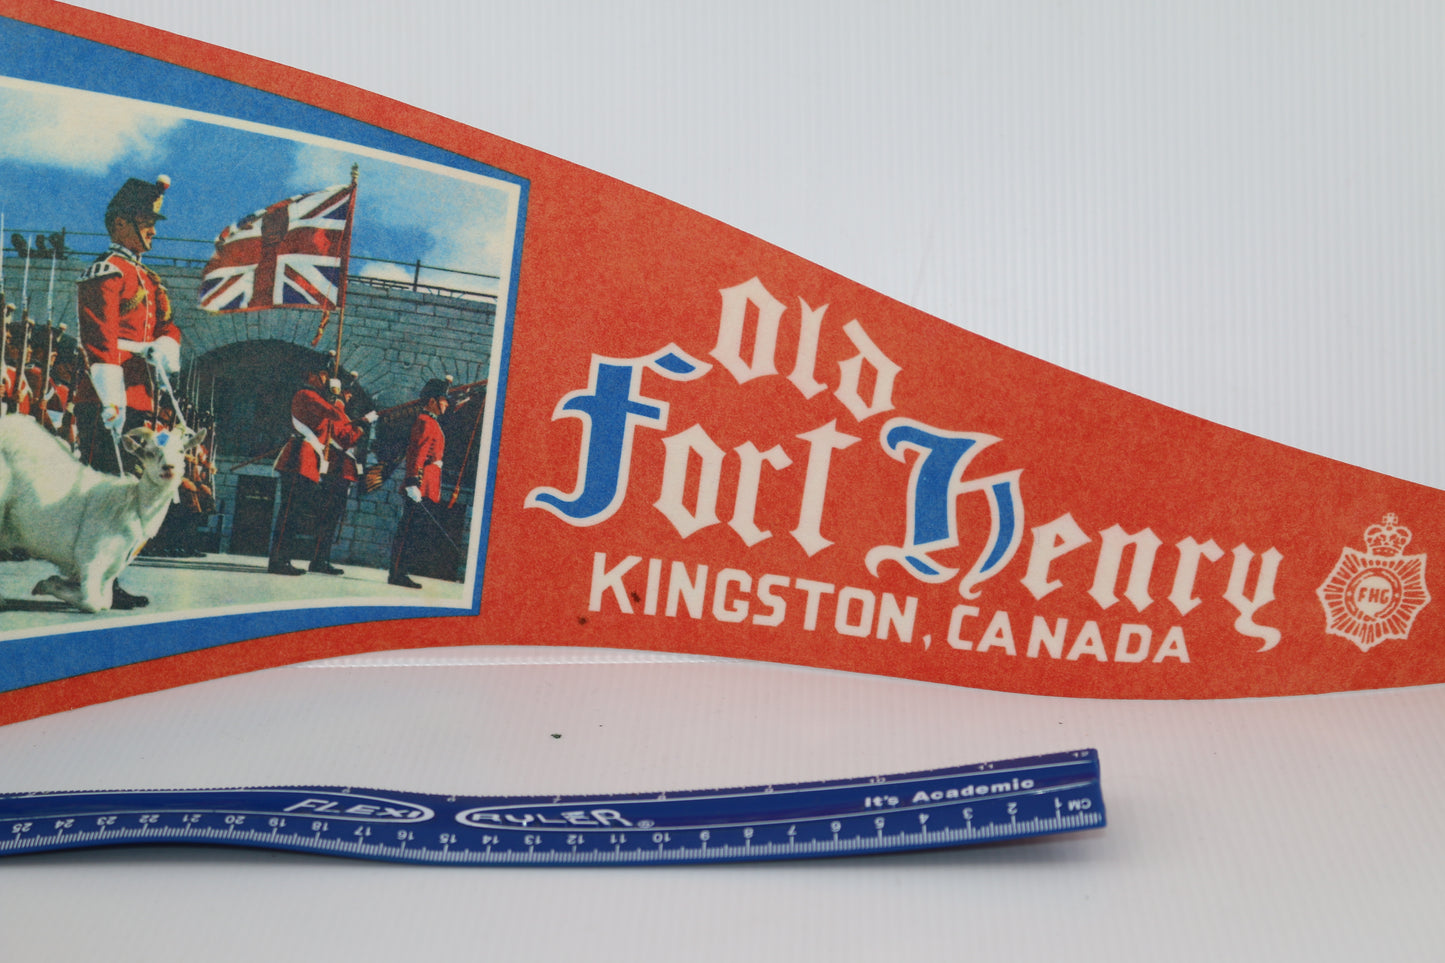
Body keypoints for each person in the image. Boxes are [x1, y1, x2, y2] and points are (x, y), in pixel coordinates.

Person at [72, 174, 181, 610]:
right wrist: (111, 397)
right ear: (120, 224)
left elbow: (168, 324)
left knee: (130, 495)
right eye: (144, 221)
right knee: (105, 493)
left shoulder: (148, 279)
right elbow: (98, 338)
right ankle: (88, 577)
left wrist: (165, 343)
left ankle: (109, 577)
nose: (152, 230)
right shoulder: (106, 271)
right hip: (106, 396)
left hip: (137, 397)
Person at [268, 357, 366, 576]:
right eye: (322, 374)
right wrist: (336, 397)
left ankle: (283, 558)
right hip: (298, 458)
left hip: (308, 461)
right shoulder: (306, 394)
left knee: (294, 514)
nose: (325, 378)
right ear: (313, 375)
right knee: (289, 513)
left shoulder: (317, 397)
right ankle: (278, 560)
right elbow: (334, 414)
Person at [388, 378, 449, 588]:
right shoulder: (425, 421)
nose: (446, 404)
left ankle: (401, 571)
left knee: (414, 530)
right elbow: (417, 453)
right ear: (432, 401)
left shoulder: (431, 421)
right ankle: (397, 573)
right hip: (420, 482)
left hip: (428, 481)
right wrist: (412, 481)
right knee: (408, 529)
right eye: (443, 400)